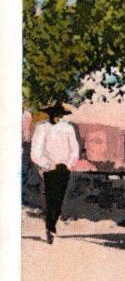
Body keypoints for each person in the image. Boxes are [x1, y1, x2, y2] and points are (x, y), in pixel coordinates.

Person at [30, 102, 79, 244]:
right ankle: (49, 227)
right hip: (49, 168)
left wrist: (69, 164)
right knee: (51, 197)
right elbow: (36, 152)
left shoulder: (68, 129)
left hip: (64, 167)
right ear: (50, 114)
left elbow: (74, 149)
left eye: (59, 115)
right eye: (54, 115)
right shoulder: (42, 128)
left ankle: (53, 223)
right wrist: (47, 164)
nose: (56, 118)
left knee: (59, 198)